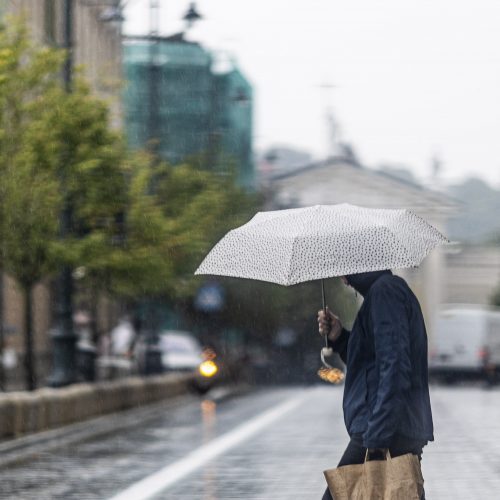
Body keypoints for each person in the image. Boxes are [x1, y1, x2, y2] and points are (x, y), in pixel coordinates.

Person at [318, 270, 433, 500]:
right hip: (388, 426)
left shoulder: (385, 293)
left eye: (345, 271)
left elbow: (396, 366)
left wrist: (378, 437)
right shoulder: (381, 294)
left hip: (385, 428)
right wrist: (339, 336)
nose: (343, 278)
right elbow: (371, 364)